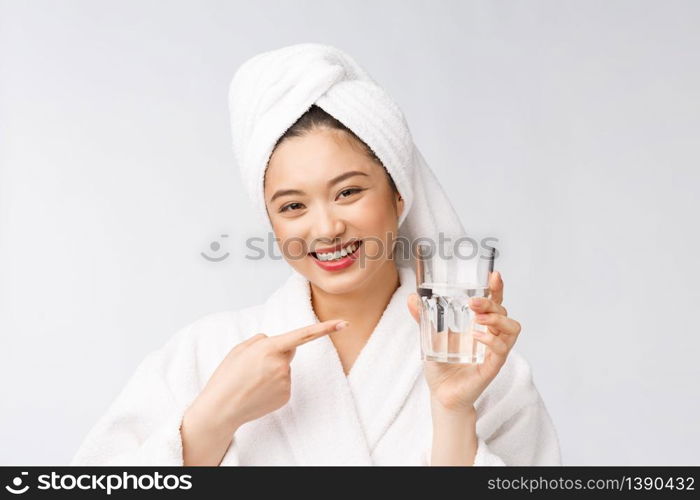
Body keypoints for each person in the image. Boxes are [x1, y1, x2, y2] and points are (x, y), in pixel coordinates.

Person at [69, 43, 562, 466]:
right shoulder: (205, 355)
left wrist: (453, 411)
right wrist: (209, 422)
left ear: (399, 195)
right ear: (272, 221)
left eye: (348, 192)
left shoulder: (484, 371)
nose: (326, 228)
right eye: (293, 205)